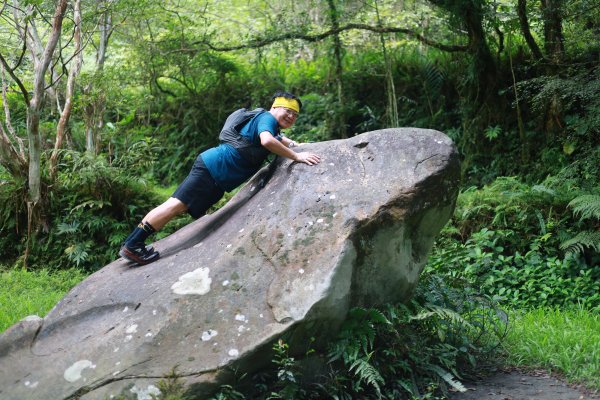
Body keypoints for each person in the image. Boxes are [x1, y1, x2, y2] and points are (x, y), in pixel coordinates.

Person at [119, 91, 321, 265]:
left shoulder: (266, 121)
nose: (291, 116)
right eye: (288, 110)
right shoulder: (267, 119)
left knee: (179, 206)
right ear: (275, 107)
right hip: (214, 168)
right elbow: (266, 140)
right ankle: (133, 244)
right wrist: (296, 156)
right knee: (175, 205)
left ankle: (133, 243)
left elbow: (274, 137)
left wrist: (291, 143)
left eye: (295, 114)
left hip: (215, 171)